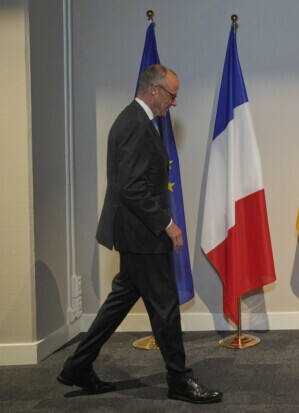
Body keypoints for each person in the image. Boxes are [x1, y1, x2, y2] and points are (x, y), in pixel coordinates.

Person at [57, 64, 222, 404]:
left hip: (135, 234)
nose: (174, 103)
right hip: (143, 236)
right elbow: (132, 189)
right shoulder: (135, 124)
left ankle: (78, 365)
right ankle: (179, 380)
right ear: (154, 90)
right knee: (166, 307)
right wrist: (167, 224)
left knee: (119, 302)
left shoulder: (135, 120)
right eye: (172, 95)